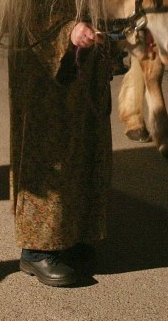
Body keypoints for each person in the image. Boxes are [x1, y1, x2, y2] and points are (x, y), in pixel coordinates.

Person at [10, 15, 114, 287]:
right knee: (48, 145)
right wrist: (68, 31)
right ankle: (37, 248)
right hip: (43, 65)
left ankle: (71, 236)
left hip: (86, 54)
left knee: (85, 142)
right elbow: (27, 8)